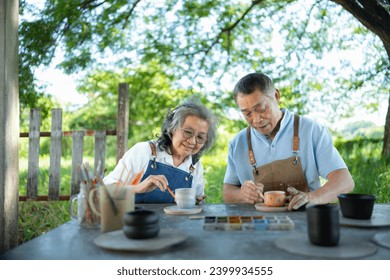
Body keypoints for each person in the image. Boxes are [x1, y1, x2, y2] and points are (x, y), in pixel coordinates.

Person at [223, 73, 354, 210]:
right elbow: (228, 191)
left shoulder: (312, 131)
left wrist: (311, 197)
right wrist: (242, 195)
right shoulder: (237, 144)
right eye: (247, 114)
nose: (256, 120)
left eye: (261, 109)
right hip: (259, 224)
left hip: (307, 220)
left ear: (276, 96)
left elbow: (345, 181)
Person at [103, 98, 217, 203]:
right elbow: (105, 190)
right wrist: (137, 188)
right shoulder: (144, 151)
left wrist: (196, 202)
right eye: (188, 132)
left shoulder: (195, 166)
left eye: (200, 137)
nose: (192, 141)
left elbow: (199, 202)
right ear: (172, 129)